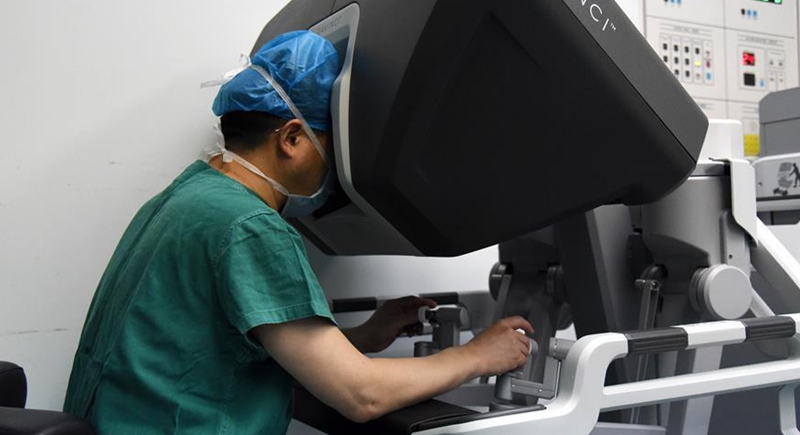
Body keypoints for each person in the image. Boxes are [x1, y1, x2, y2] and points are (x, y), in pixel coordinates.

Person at [64, 30, 533, 434]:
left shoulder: (185, 199)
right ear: (291, 138)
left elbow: (216, 349)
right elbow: (361, 395)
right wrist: (479, 356)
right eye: (331, 144)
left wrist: (364, 337)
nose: (334, 167)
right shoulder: (250, 228)